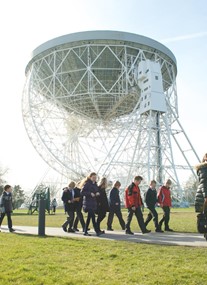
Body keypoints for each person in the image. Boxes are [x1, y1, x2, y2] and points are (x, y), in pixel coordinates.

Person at [81, 172, 101, 236]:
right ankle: (97, 231)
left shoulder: (95, 184)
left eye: (95, 177)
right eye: (93, 177)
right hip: (88, 203)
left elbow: (97, 191)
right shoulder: (87, 184)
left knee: (89, 217)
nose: (95, 179)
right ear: (90, 177)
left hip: (93, 203)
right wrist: (90, 193)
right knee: (93, 217)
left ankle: (85, 231)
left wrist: (97, 193)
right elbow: (82, 192)